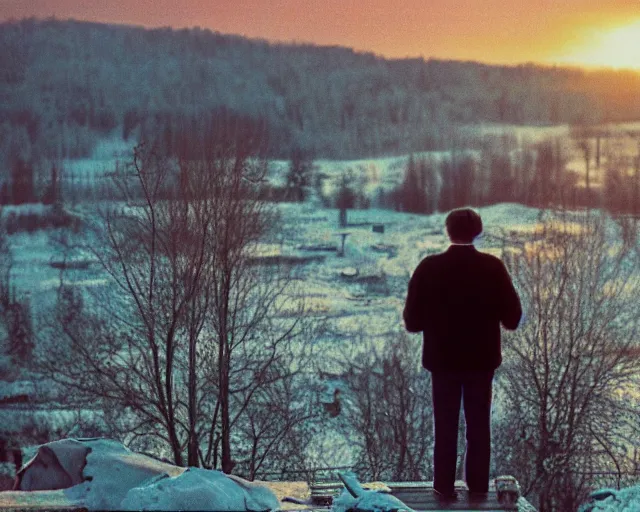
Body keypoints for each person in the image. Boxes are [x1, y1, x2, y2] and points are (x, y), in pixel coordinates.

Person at [403, 208, 521, 500]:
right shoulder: (493, 268)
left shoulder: (428, 267)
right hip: (481, 363)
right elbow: (513, 319)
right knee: (479, 426)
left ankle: (443, 489)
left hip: (442, 363)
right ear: (477, 232)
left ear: (448, 231)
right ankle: (478, 490)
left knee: (444, 426)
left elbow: (412, 322)